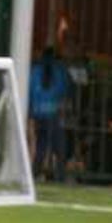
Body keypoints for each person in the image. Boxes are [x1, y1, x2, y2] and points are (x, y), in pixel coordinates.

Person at [29, 46, 70, 182]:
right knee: (59, 147)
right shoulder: (59, 72)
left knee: (41, 145)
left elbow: (29, 93)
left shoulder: (34, 72)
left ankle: (35, 173)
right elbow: (64, 92)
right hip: (53, 113)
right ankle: (60, 175)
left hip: (38, 113)